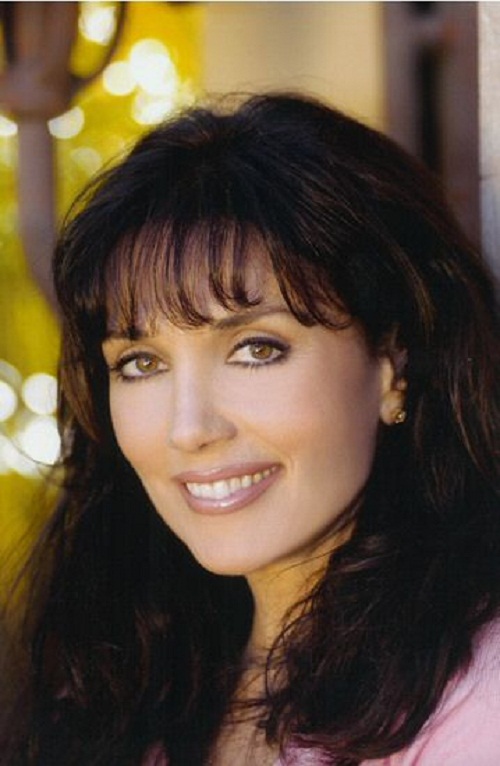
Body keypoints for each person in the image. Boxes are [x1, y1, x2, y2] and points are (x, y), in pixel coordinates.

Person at [3, 92, 500, 766]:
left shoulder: (477, 706)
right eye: (141, 363)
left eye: (256, 349)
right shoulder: (126, 692)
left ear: (393, 363)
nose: (189, 429)